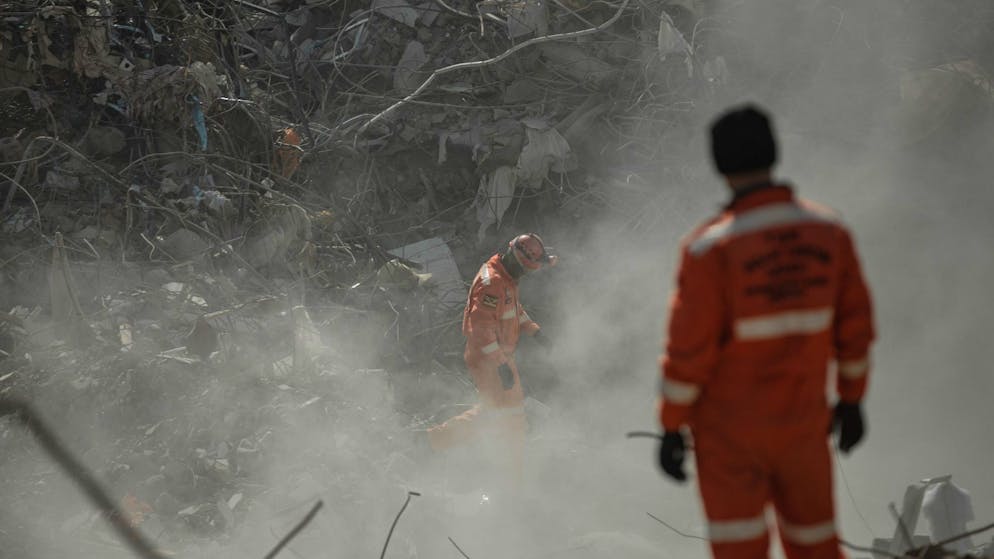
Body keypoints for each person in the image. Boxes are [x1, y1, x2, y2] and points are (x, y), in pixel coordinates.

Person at [655, 104, 876, 559]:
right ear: (774, 152)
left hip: (728, 437)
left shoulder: (709, 249)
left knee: (740, 549)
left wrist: (671, 426)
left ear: (719, 165)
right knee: (816, 544)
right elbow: (856, 329)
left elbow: (687, 353)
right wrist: (852, 400)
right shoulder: (828, 232)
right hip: (804, 425)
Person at [427, 233, 556, 489]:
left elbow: (513, 309)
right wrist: (499, 363)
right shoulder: (492, 283)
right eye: (526, 269)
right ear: (517, 260)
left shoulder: (507, 277)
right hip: (488, 358)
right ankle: (438, 442)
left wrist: (534, 330)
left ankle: (509, 469)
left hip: (500, 357)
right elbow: (480, 328)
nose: (527, 274)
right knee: (497, 414)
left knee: (506, 412)